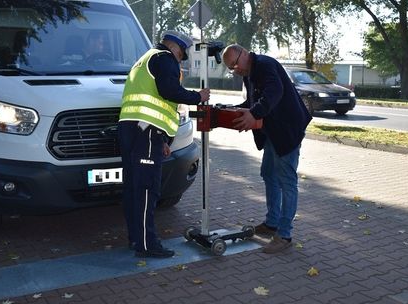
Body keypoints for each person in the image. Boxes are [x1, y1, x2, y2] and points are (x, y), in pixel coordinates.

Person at [118, 30, 210, 258]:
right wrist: (198, 97)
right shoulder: (165, 58)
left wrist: (162, 140)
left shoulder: (146, 59)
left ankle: (137, 240)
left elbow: (151, 100)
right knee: (147, 189)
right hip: (146, 133)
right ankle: (148, 245)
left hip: (135, 131)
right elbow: (168, 91)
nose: (180, 61)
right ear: (177, 48)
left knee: (133, 189)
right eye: (182, 56)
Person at [222, 44, 312, 254]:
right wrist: (236, 110)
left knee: (286, 180)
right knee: (268, 174)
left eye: (235, 64)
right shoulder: (249, 71)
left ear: (244, 53)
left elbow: (274, 91)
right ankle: (272, 223)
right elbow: (256, 100)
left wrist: (254, 113)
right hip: (273, 130)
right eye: (231, 68)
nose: (235, 70)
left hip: (288, 130)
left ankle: (284, 234)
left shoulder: (263, 65)